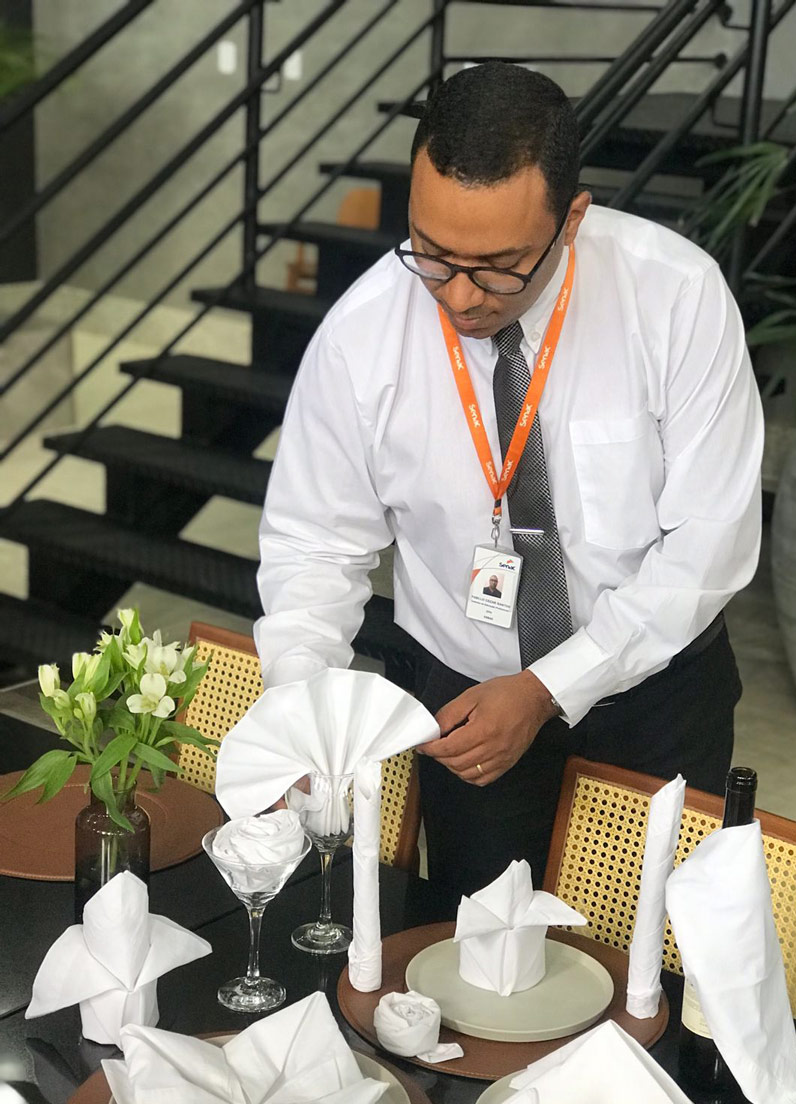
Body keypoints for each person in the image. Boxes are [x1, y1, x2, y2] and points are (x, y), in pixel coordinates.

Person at [256, 63, 763, 899]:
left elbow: (710, 542)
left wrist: (548, 688)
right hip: (466, 704)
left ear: (572, 218)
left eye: (498, 266)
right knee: (475, 947)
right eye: (431, 252)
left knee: (647, 946)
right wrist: (301, 711)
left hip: (657, 694)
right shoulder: (362, 336)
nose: (459, 296)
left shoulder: (676, 299)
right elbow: (314, 547)